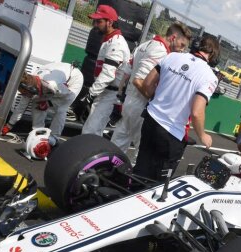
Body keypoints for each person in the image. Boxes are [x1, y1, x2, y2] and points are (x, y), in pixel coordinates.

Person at [131, 35, 219, 181]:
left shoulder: (172, 56)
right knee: (158, 183)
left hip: (150, 119)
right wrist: (203, 135)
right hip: (172, 133)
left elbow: (147, 84)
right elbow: (197, 112)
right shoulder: (210, 76)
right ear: (213, 55)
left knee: (141, 168)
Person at [110, 22, 192, 160]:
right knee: (142, 152)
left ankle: (106, 171)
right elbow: (138, 80)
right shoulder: (160, 50)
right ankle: (132, 180)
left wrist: (120, 97)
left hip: (129, 101)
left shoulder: (145, 44)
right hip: (141, 106)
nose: (182, 50)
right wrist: (157, 101)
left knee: (118, 144)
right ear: (173, 38)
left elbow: (127, 73)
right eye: (182, 45)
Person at [81, 5, 130, 136]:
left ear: (110, 22)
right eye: (95, 21)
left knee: (90, 131)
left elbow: (108, 74)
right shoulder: (108, 40)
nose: (95, 24)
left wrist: (91, 94)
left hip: (110, 94)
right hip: (104, 92)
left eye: (99, 21)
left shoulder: (116, 44)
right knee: (92, 131)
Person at [2, 62, 83, 141]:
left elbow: (68, 97)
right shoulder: (29, 82)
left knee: (61, 109)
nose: (26, 95)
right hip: (55, 75)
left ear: (32, 89)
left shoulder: (53, 85)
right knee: (37, 103)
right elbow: (21, 106)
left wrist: (48, 103)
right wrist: (9, 125)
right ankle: (38, 132)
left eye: (26, 93)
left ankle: (54, 138)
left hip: (73, 78)